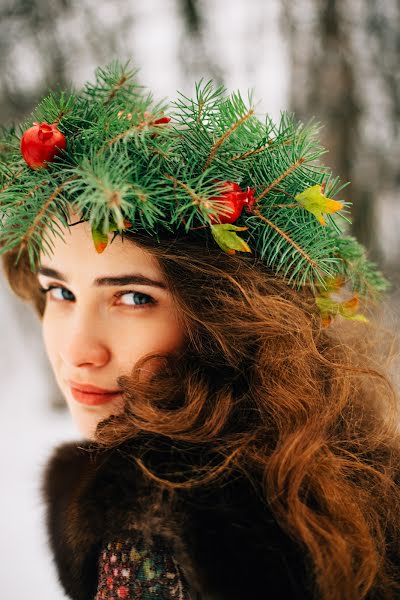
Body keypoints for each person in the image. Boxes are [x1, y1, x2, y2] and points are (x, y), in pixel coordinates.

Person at [1, 60, 400, 600]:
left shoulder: (148, 529)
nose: (77, 350)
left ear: (222, 316)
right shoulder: (336, 460)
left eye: (134, 297)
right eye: (60, 293)